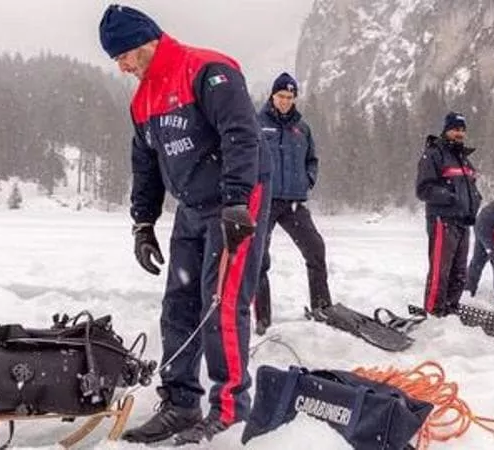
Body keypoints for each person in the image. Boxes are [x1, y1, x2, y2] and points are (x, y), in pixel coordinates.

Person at [98, 4, 271, 445]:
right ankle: (180, 403)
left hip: (235, 200)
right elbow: (145, 166)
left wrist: (237, 201)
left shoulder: (208, 70)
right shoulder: (142, 101)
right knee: (178, 304)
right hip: (192, 206)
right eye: (116, 60)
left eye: (124, 56)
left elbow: (241, 134)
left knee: (221, 302)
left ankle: (230, 411)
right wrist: (143, 223)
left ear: (147, 43)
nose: (122, 67)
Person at [254, 72, 331, 335]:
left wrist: (308, 180)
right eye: (281, 96)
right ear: (272, 96)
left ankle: (322, 307)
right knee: (258, 259)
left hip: (294, 203)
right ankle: (262, 319)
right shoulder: (256, 124)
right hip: (264, 201)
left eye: (290, 97)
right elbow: (244, 157)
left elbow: (312, 160)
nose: (285, 101)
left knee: (316, 249)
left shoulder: (302, 128)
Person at [415, 111, 482, 317]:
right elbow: (423, 189)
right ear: (446, 130)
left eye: (462, 130)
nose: (459, 133)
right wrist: (452, 197)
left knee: (459, 273)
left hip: (463, 222)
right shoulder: (434, 154)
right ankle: (433, 313)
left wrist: (473, 205)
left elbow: (472, 190)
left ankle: (450, 311)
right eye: (455, 129)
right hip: (442, 221)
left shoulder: (464, 160)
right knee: (440, 271)